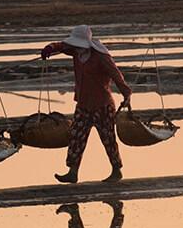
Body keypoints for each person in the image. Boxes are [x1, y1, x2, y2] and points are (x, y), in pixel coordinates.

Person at [40, 25, 132, 183]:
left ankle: (116, 170)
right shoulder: (76, 52)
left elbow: (116, 74)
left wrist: (126, 93)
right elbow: (61, 46)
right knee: (76, 136)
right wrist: (50, 48)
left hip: (102, 104)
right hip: (83, 103)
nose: (74, 46)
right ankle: (72, 172)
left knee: (108, 138)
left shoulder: (101, 57)